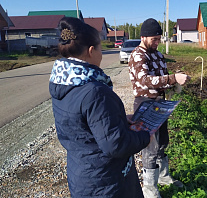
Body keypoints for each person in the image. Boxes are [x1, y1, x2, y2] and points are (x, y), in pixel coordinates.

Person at [49, 17, 151, 197]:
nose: (101, 54)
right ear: (90, 51)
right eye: (100, 49)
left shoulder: (61, 82)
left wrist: (119, 119)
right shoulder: (95, 91)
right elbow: (116, 145)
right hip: (106, 182)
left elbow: (83, 125)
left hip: (81, 174)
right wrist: (144, 137)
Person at [128, 18, 190, 198]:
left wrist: (173, 85)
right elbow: (145, 81)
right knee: (150, 147)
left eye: (158, 39)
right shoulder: (138, 55)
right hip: (145, 104)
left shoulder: (158, 54)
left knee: (162, 142)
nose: (157, 42)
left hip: (160, 104)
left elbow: (161, 77)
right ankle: (149, 191)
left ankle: (163, 177)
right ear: (143, 37)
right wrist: (172, 78)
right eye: (154, 39)